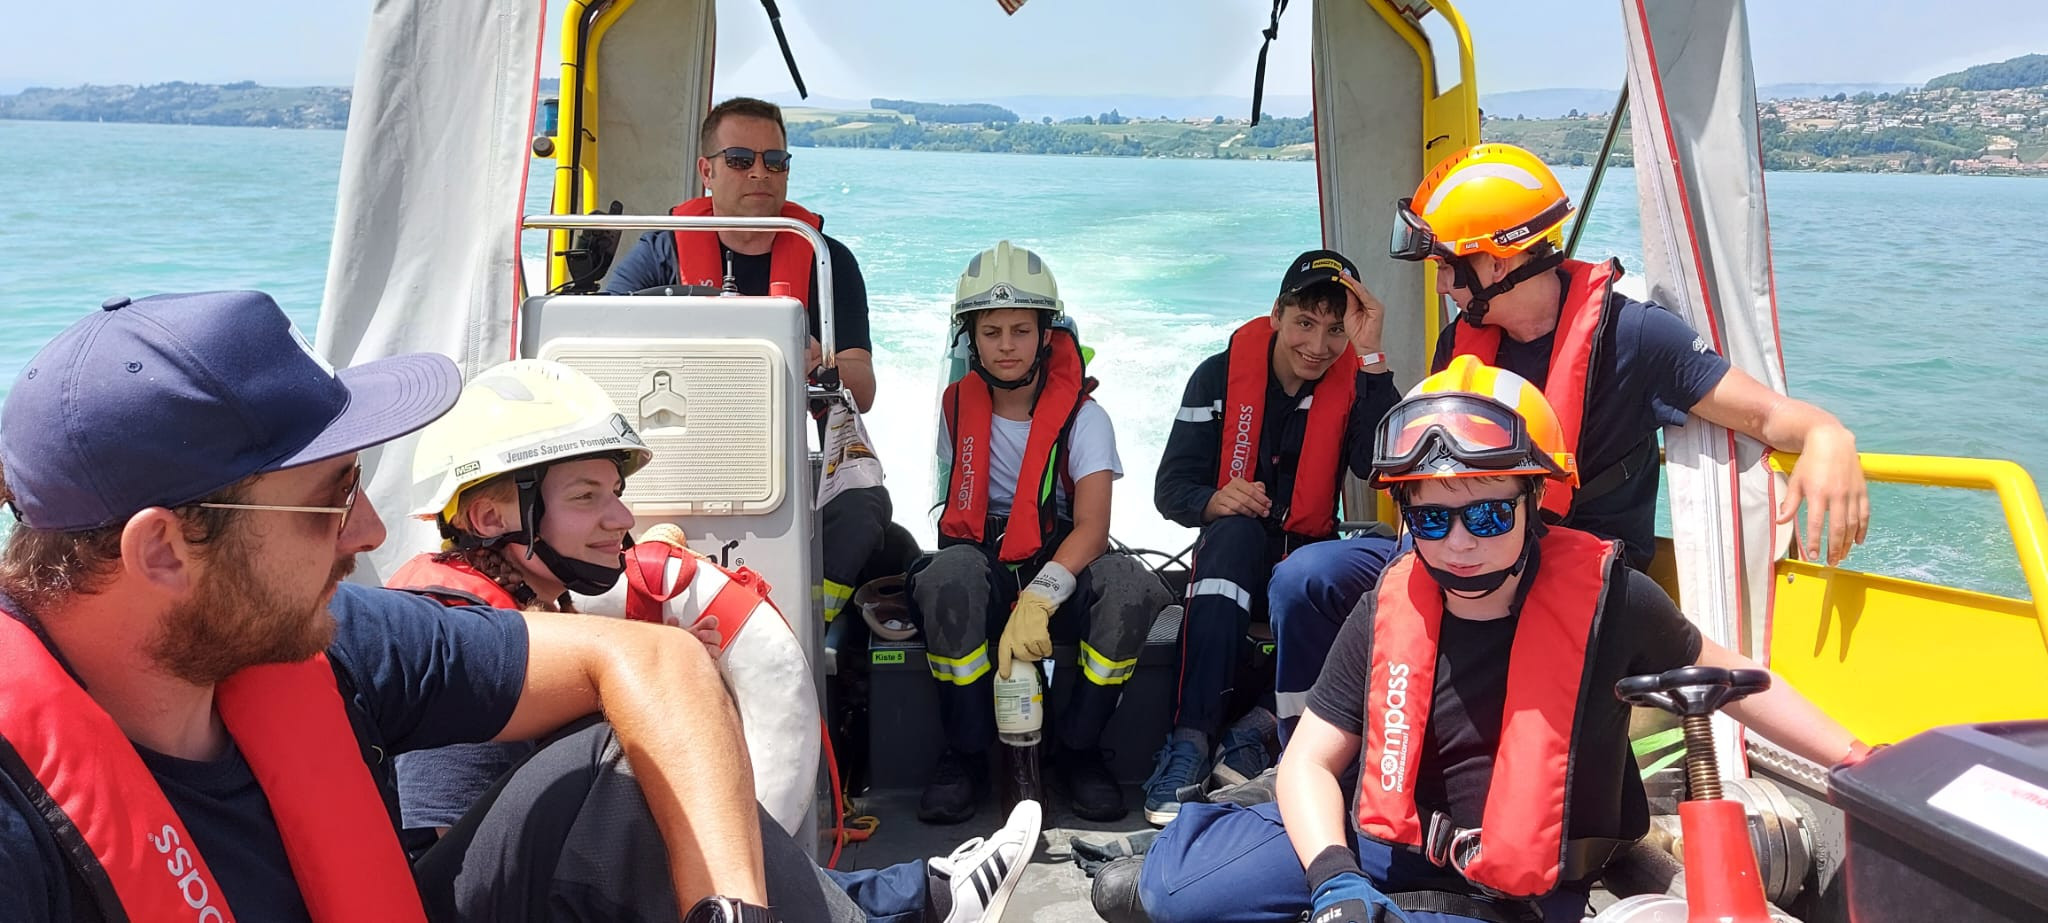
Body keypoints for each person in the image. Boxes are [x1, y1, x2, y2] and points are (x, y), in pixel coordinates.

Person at [0, 291, 1036, 923]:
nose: (369, 530)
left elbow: (657, 664)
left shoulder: (338, 643)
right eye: (330, 499)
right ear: (163, 549)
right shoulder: (22, 835)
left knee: (610, 778)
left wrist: (729, 909)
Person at [1129, 357, 1870, 923]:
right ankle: (1213, 833)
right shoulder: (1388, 605)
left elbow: (1733, 679)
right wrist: (1334, 880)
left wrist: (1861, 759)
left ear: (1534, 500)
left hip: (1522, 886)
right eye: (1431, 518)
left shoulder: (1611, 600)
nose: (1459, 543)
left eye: (1486, 515)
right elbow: (1311, 761)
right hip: (1382, 850)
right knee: (1171, 893)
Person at [1267, 142, 1870, 747]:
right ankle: (1307, 747)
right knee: (1306, 581)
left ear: (1497, 263)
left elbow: (1768, 415)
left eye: (1449, 265)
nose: (1442, 282)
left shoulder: (1636, 337)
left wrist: (1826, 435)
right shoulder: (1461, 344)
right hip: (1467, 542)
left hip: (1569, 564)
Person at [604, 95, 894, 629]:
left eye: (775, 161)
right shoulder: (662, 251)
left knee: (866, 510)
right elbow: (596, 344)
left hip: (783, 460)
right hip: (677, 458)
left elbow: (865, 386)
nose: (760, 173)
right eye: (740, 160)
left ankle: (799, 628)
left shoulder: (828, 260)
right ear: (707, 171)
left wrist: (819, 359)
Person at [1139, 249, 1403, 825]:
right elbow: (1170, 489)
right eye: (1305, 323)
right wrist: (1212, 500)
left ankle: (1256, 732)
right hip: (1228, 566)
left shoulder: (1356, 384)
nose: (1319, 345)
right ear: (1277, 314)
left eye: (1336, 330)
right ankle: (1189, 743)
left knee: (1323, 578)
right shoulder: (1216, 377)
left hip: (1302, 563)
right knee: (1232, 534)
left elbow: (1383, 465)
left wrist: (1372, 358)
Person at [913, 242, 1169, 825]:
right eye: (991, 332)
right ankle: (967, 753)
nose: (1006, 345)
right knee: (947, 576)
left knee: (1128, 587)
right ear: (970, 339)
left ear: (1045, 335)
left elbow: (1094, 530)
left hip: (1062, 563)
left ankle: (1078, 750)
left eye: (1021, 331)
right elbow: (955, 508)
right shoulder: (956, 409)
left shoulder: (1086, 418)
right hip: (984, 563)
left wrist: (1040, 598)